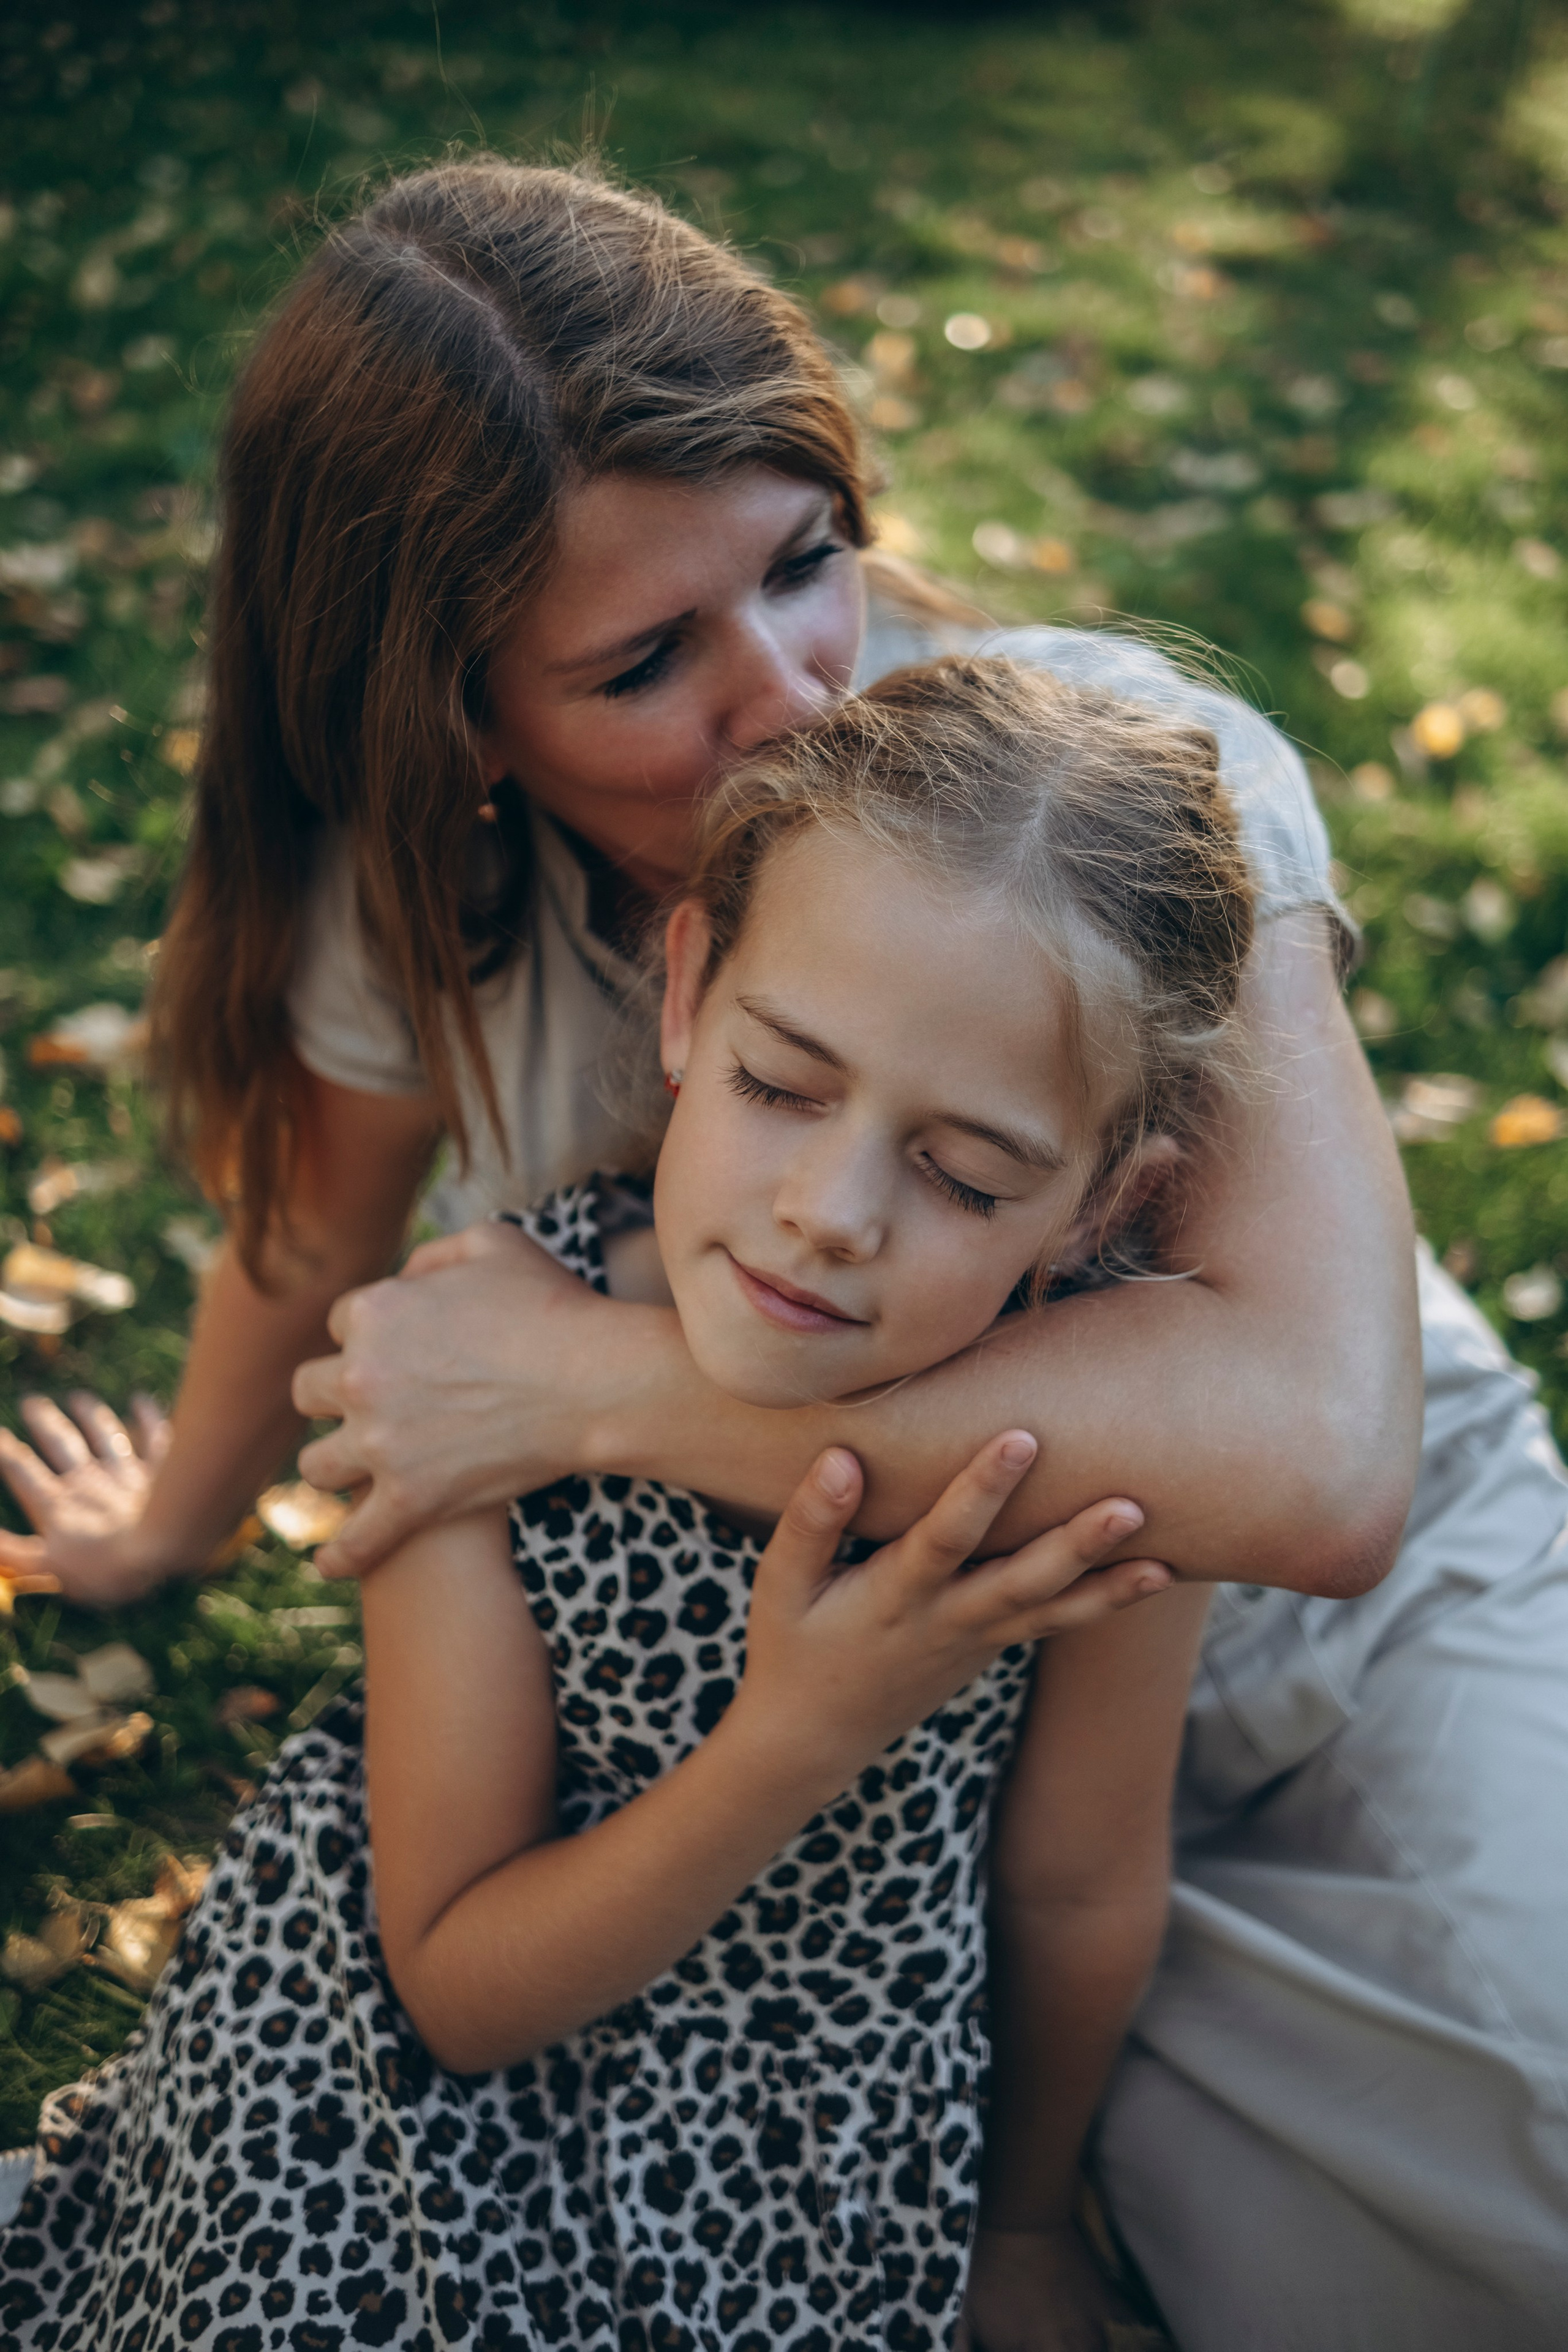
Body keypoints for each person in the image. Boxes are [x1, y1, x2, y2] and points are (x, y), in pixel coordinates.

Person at [2, 159, 1562, 2346]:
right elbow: (309, 1236)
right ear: (460, 715)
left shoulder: (1120, 775)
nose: (795, 697)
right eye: (646, 661)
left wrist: (580, 1392)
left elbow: (1308, 1471)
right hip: (868, 1781)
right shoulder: (424, 907)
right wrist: (171, 1518)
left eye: (803, 564)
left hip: (1303, 1632)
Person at [0, 657, 1242, 2350]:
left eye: (965, 1175)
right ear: (687, 998)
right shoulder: (467, 1374)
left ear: (1109, 1197)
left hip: (817, 2171)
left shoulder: (1099, 1475)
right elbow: (456, 1993)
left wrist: (1022, 2228)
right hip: (407, 2137)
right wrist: (799, 1735)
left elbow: (1080, 1885)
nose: (830, 1213)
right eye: (782, 1086)